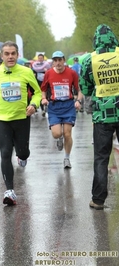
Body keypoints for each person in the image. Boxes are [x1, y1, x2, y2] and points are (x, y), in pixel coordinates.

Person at [0, 41, 42, 206]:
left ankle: (22, 156)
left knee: (23, 152)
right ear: (2, 56)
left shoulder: (26, 72)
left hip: (22, 119)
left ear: (17, 55)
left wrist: (34, 105)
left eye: (13, 53)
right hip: (2, 120)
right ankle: (9, 190)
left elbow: (38, 92)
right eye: (6, 54)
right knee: (5, 153)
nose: (10, 57)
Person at [80, 24, 119, 210]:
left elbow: (86, 89)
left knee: (101, 157)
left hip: (102, 116)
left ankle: (98, 199)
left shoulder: (89, 60)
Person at [41, 51, 83, 169]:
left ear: (64, 60)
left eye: (60, 60)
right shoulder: (48, 74)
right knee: (57, 133)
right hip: (54, 106)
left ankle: (67, 158)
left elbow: (79, 90)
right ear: (53, 62)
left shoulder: (72, 73)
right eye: (55, 60)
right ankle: (59, 138)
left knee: (67, 134)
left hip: (68, 106)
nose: (58, 63)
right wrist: (44, 98)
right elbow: (43, 89)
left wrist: (78, 101)